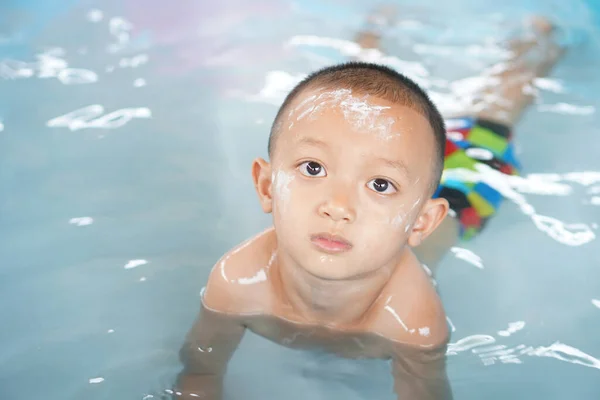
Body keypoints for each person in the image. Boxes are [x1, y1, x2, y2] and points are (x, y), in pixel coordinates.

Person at [174, 7, 565, 400]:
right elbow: (199, 374)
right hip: (402, 157)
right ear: (266, 185)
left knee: (496, 111)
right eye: (313, 168)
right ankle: (375, 28)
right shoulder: (237, 282)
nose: (338, 206)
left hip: (464, 179)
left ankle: (534, 47)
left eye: (378, 185)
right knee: (359, 97)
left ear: (421, 223)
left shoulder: (412, 322)